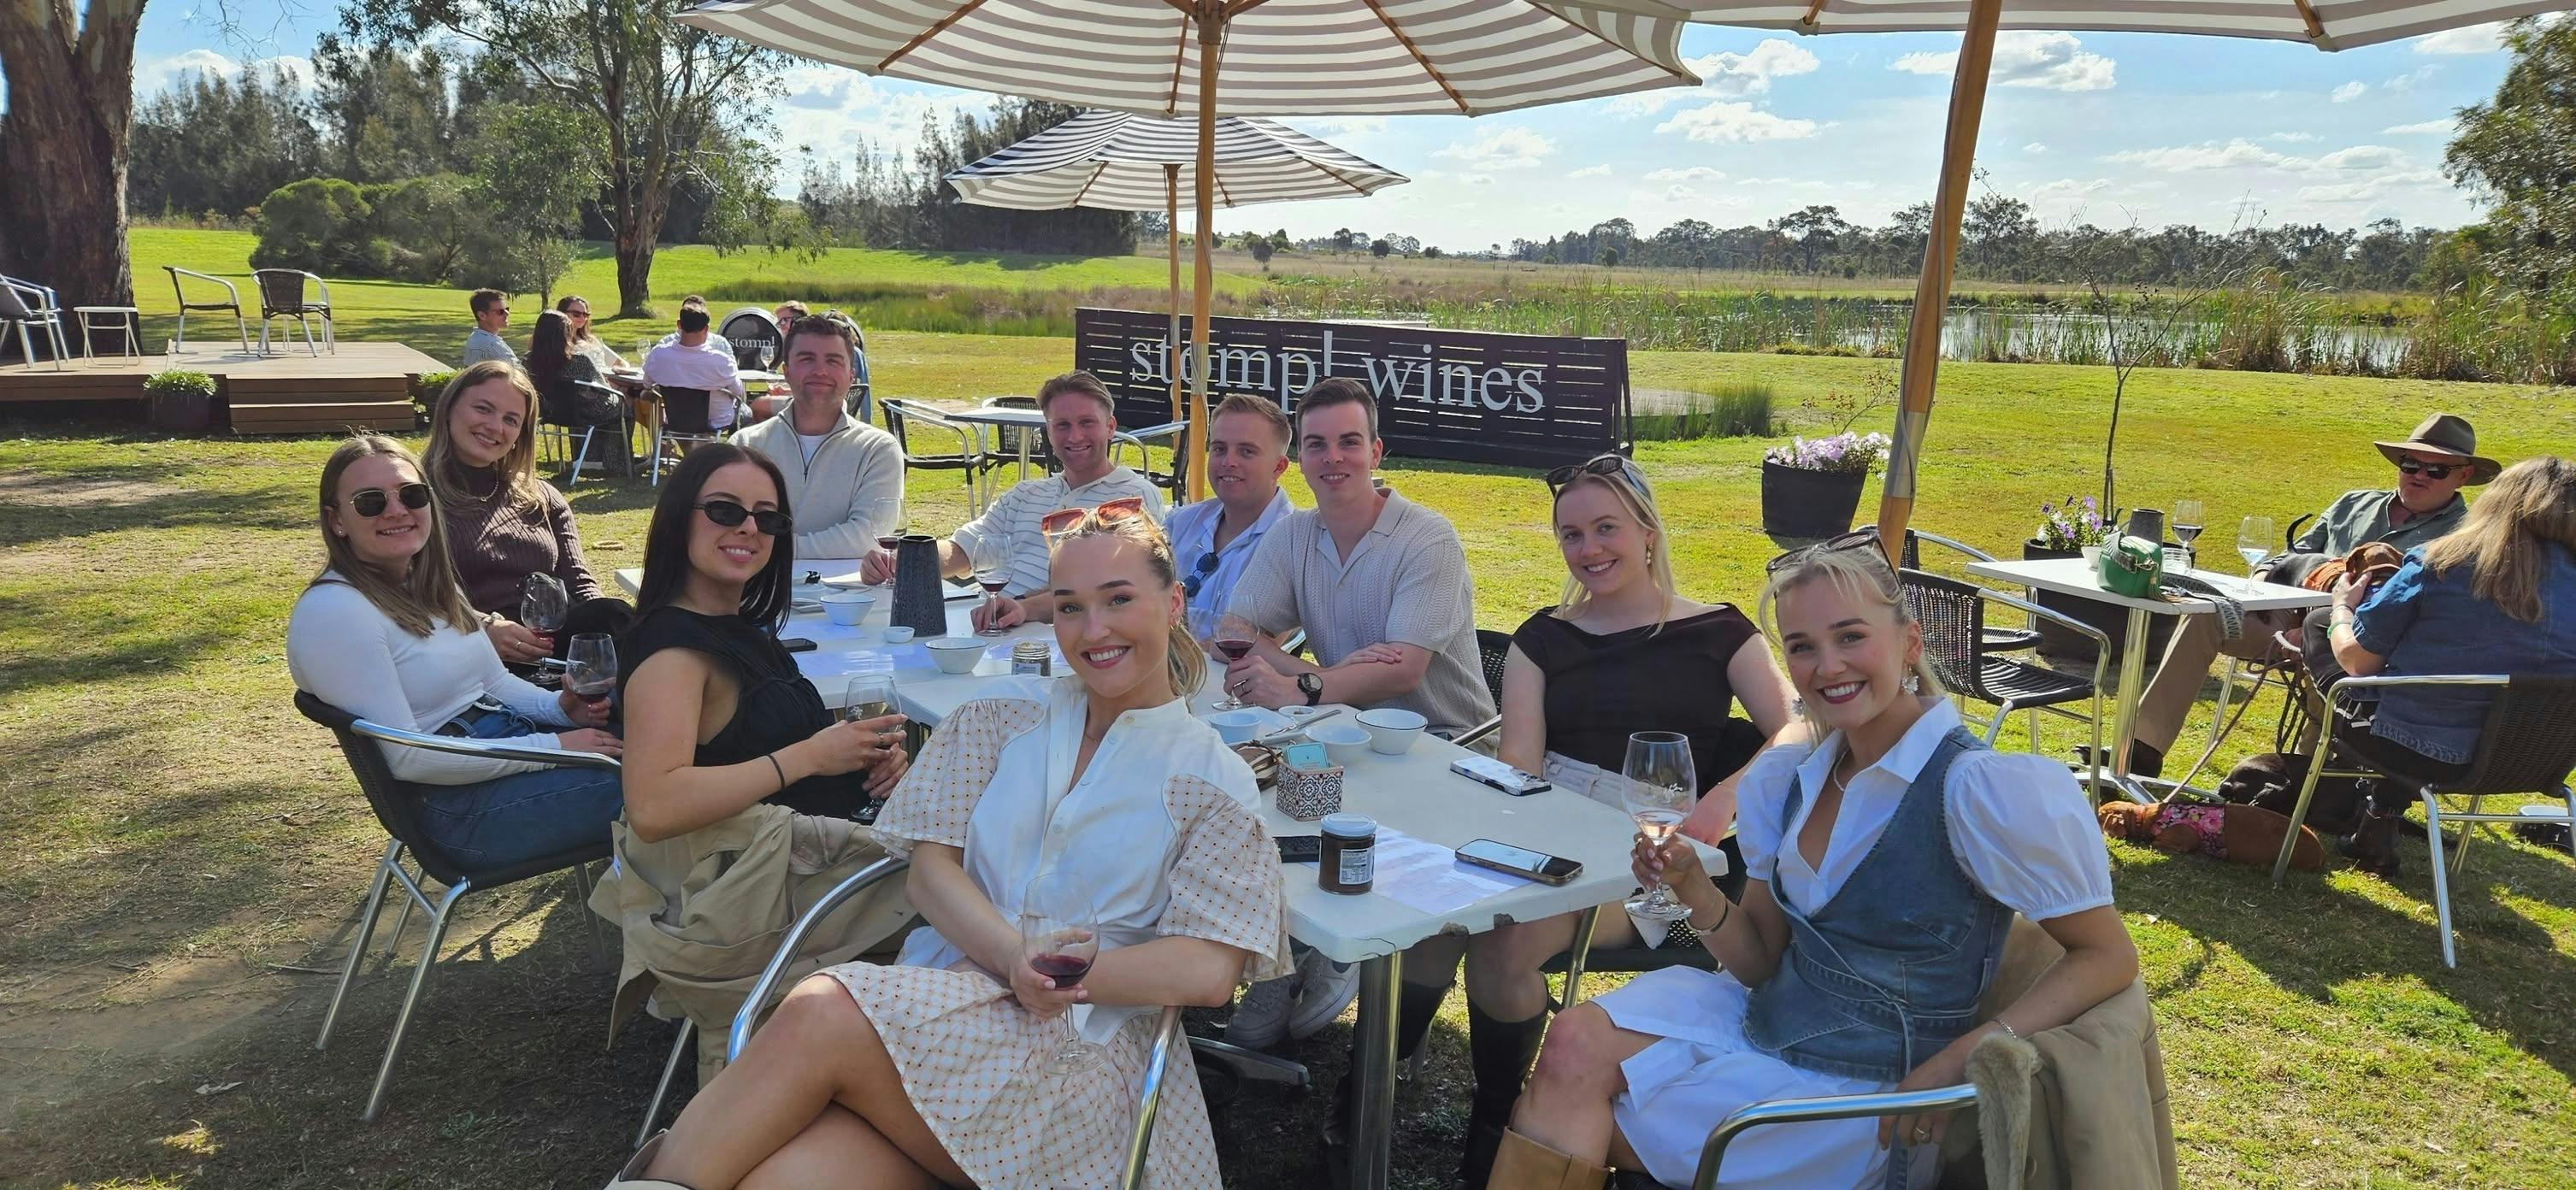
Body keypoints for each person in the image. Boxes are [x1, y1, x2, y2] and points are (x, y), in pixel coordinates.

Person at [608, 501, 1286, 1190]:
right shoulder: (995, 719)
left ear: (1173, 603)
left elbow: (1207, 969)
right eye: (1071, 606)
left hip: (1076, 1064)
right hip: (932, 1024)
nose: (1095, 629)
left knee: (820, 1009)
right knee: (781, 1180)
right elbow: (929, 874)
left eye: (1119, 600)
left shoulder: (1212, 776)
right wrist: (1008, 958)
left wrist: (1047, 976)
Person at [1483, 533, 2137, 1190]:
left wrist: (1965, 1056)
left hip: (1865, 1089)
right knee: (1570, 1045)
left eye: (1850, 637)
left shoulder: (1978, 789)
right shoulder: (1793, 778)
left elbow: (2107, 957)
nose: (1826, 666)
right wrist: (1697, 893)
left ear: (1908, 645)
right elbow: (1764, 959)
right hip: (1763, 1023)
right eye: (1801, 647)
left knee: (1571, 1121)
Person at [1429, 453, 1795, 1187]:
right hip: (1552, 826)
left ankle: (1494, 1123)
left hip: (1654, 848)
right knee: (1434, 925)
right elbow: (1521, 770)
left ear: (1648, 531)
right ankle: (1416, 1091)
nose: (1589, 549)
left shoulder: (1719, 631)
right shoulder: (1542, 637)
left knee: (1503, 949)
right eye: (1571, 534)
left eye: (1606, 528)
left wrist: (1722, 797)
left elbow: (1799, 727)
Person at [286, 436, 622, 870]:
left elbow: (494, 682)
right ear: (337, 521)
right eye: (370, 502)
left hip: (496, 752)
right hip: (454, 814)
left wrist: (560, 708)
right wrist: (557, 745)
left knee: (663, 736)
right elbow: (407, 757)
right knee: (659, 785)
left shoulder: (430, 585)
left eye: (411, 494)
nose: (396, 510)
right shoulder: (336, 614)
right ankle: (678, 924)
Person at [2130, 412, 2491, 777]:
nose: (2418, 474)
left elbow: (2435, 617)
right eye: (2410, 463)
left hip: (2367, 647)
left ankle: (2314, 783)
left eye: (2436, 470)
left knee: (2332, 665)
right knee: (2208, 614)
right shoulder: (2353, 503)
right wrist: (2259, 581)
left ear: (2463, 475)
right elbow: (2290, 558)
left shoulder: (2465, 537)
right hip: (2289, 615)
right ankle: (2141, 752)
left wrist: (2324, 633)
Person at [2305, 455, 2576, 876]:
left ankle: (2324, 789)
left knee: (2322, 627)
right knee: (2423, 689)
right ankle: (2377, 817)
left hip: (2419, 751)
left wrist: (2341, 608)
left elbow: (2358, 661)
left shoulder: (2440, 563)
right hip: (2538, 758)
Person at [1217, 376, 1494, 737]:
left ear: (1375, 452)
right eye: (1317, 445)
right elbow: (1233, 631)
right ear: (1300, 459)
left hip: (1450, 741)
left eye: (1349, 442)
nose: (1332, 456)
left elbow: (1402, 672)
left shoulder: (1428, 539)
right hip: (1345, 726)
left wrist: (1300, 686)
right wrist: (1321, 679)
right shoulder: (1291, 534)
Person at [856, 370, 1164, 627]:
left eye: (1087, 423)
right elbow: (963, 551)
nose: (1074, 437)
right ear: (1048, 431)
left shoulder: (1131, 497)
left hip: (1054, 636)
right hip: (990, 622)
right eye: (1062, 425)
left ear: (1110, 427)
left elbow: (1105, 589)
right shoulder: (1026, 493)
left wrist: (1025, 609)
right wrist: (902, 562)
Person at [421, 361, 631, 666]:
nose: (495, 427)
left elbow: (580, 583)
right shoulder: (412, 498)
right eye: (483, 409)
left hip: (555, 645)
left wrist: (599, 638)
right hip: (474, 649)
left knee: (620, 619)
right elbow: (409, 594)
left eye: (511, 419)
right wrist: (484, 626)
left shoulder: (541, 496)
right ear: (450, 408)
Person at [727, 315, 906, 558]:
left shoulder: (878, 449)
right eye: (807, 359)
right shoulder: (746, 445)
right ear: (786, 372)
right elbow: (727, 526)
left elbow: (869, 535)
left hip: (849, 594)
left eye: (833, 361)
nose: (820, 371)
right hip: (756, 588)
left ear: (851, 375)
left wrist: (773, 550)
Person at [1166, 393, 1295, 641]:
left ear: (1278, 467)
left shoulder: (1292, 543)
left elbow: (1245, 647)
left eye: (1246, 452)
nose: (1228, 462)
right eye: (1219, 448)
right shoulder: (1179, 523)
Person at [643, 302, 746, 433]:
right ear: (706, 329)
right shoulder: (722, 361)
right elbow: (739, 393)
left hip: (676, 420)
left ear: (679, 325)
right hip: (718, 421)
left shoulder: (658, 355)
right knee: (747, 413)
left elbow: (647, 384)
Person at [555, 294, 628, 370]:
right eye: (576, 314)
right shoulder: (557, 343)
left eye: (586, 314)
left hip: (608, 380)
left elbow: (622, 363)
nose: (583, 318)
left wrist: (619, 370)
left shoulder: (592, 340)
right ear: (562, 314)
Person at [460, 288, 515, 367]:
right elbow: (519, 374)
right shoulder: (491, 345)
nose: (507, 313)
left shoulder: (476, 337)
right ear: (482, 316)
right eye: (500, 312)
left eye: (506, 309)